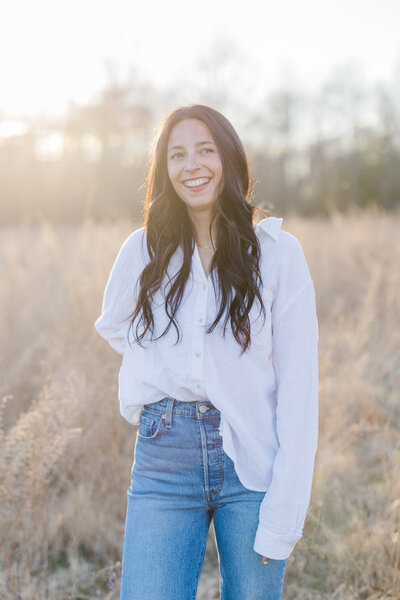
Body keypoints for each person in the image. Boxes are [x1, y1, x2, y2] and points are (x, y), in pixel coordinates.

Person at [94, 104, 319, 600]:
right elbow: (115, 326)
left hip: (251, 454)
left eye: (205, 150)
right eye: (177, 155)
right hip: (164, 453)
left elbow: (300, 393)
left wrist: (283, 515)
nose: (191, 165)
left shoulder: (279, 255)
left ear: (230, 159)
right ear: (164, 169)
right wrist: (165, 366)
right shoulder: (142, 250)